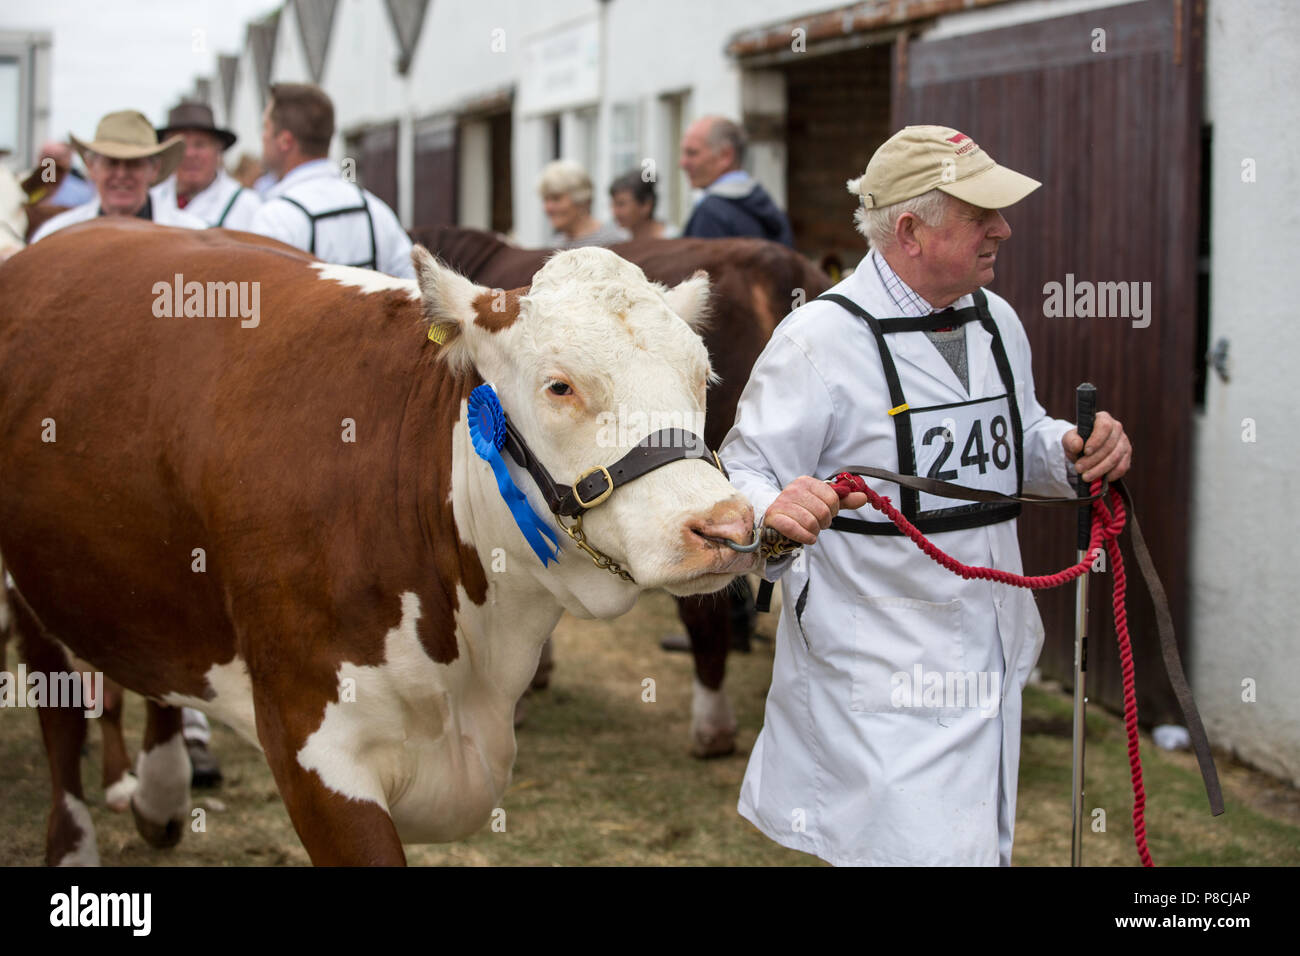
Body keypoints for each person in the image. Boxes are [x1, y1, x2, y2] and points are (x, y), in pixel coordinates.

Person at [720, 125, 1132, 866]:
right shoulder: (817, 339)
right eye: (982, 214)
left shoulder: (996, 320)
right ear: (909, 229)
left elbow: (1021, 435)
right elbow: (746, 472)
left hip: (993, 643)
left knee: (976, 845)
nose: (1003, 229)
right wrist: (777, 510)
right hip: (878, 665)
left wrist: (1071, 452)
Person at [248, 83, 413, 278]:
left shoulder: (275, 219)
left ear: (285, 141)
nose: (262, 136)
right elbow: (413, 289)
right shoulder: (376, 212)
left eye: (265, 127)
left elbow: (261, 301)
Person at [30, 110, 206, 242]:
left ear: (154, 169)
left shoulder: (193, 235)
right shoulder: (54, 235)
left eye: (134, 163)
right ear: (92, 167)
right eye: (111, 162)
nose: (121, 174)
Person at [679, 116, 793, 247]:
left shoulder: (711, 214)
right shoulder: (770, 209)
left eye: (692, 153)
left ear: (726, 155)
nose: (682, 163)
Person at [151, 101, 262, 231]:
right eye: (181, 146)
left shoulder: (246, 205)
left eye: (200, 145)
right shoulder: (151, 198)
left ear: (218, 151)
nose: (190, 154)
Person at [538, 160, 628, 248]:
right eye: (545, 199)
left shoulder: (613, 242)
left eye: (556, 199)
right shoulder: (556, 245)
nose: (548, 207)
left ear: (581, 200)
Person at [609, 170, 666, 240]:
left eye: (621, 204)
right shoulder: (619, 239)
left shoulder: (672, 238)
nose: (615, 212)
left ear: (646, 205)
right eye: (613, 204)